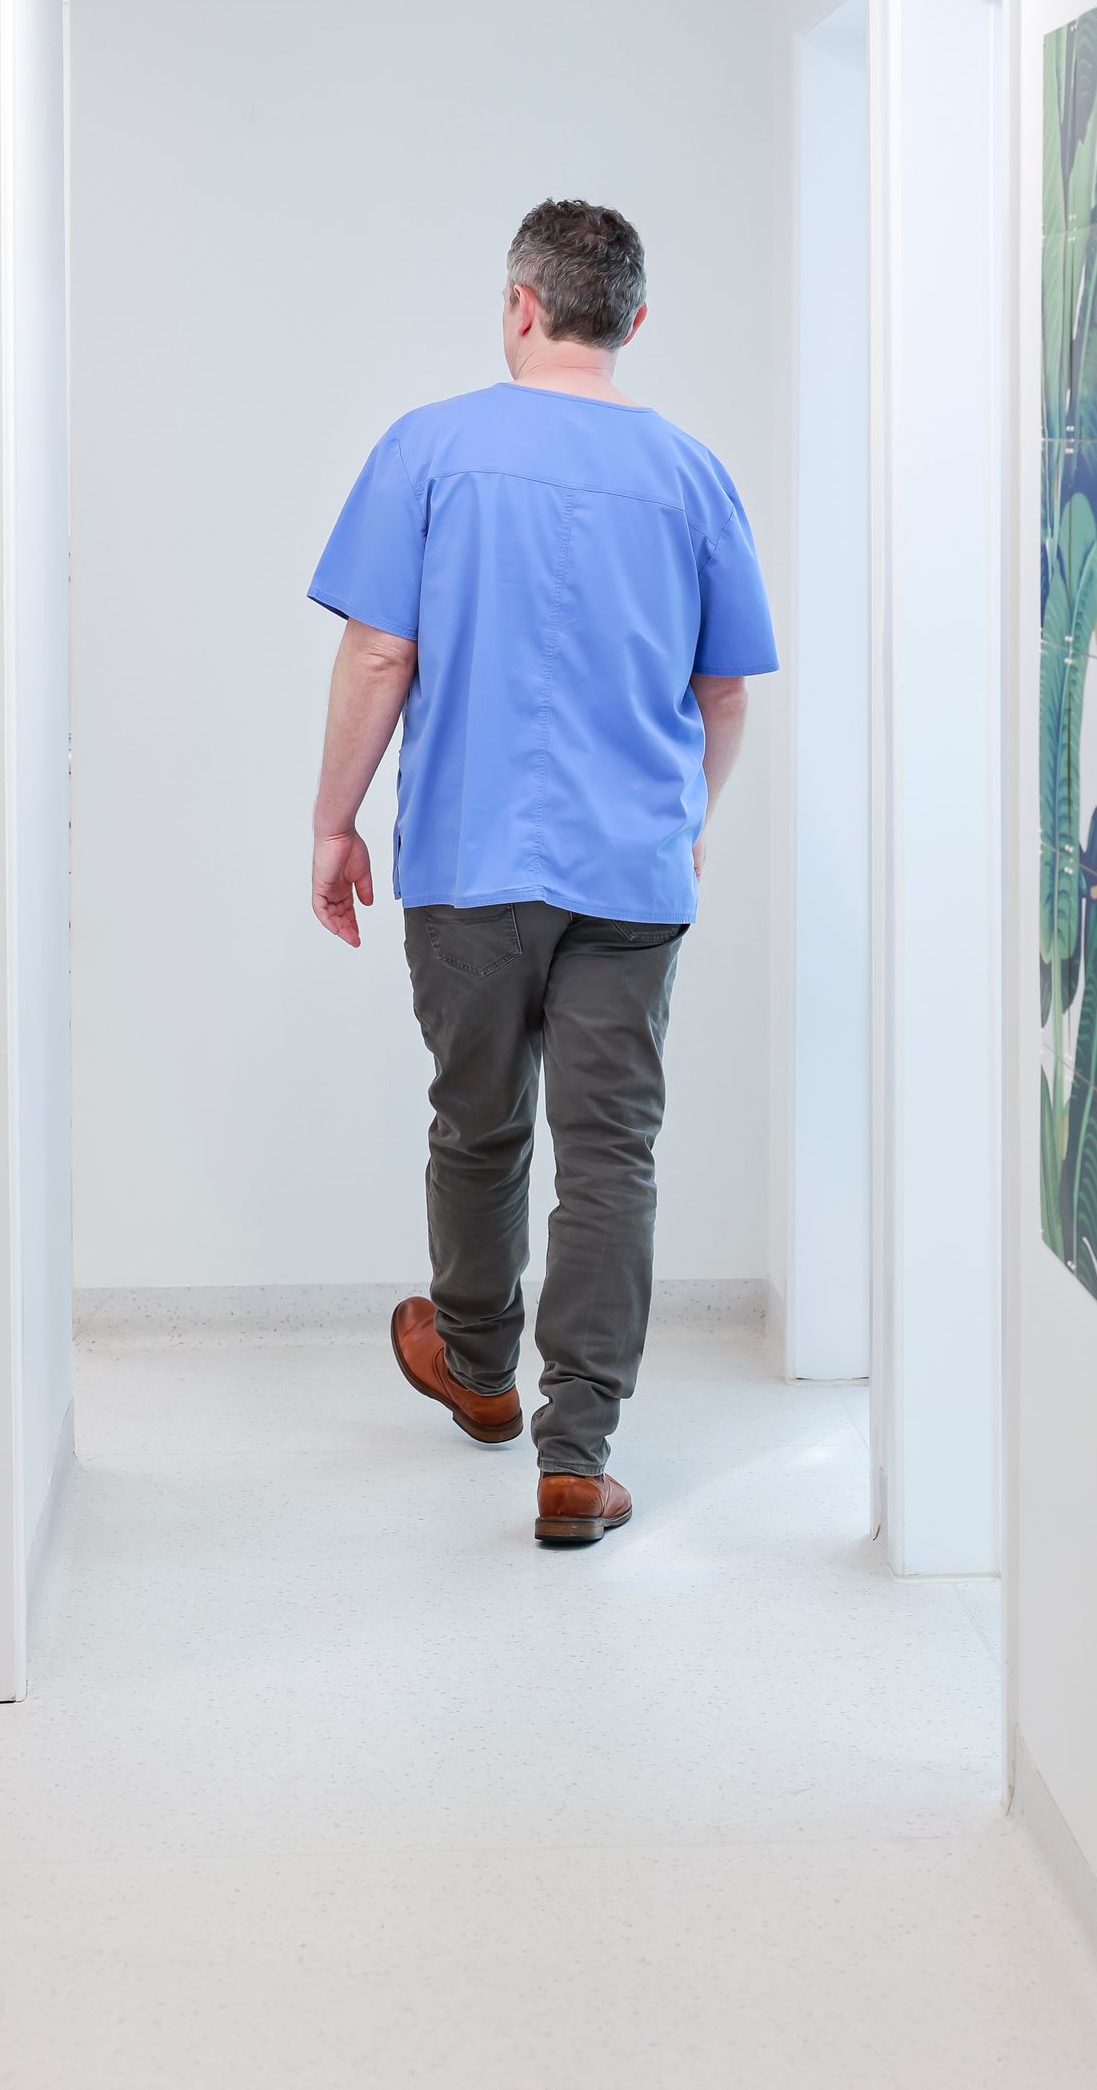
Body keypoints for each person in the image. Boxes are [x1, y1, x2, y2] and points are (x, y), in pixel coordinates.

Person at [306, 199, 777, 1546]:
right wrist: (682, 817)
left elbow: (376, 657)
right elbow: (727, 691)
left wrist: (333, 824)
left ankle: (474, 1360)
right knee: (610, 1157)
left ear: (520, 306)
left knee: (478, 1119)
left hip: (465, 858)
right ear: (632, 321)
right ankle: (578, 1455)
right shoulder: (691, 474)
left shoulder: (431, 448)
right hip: (630, 876)